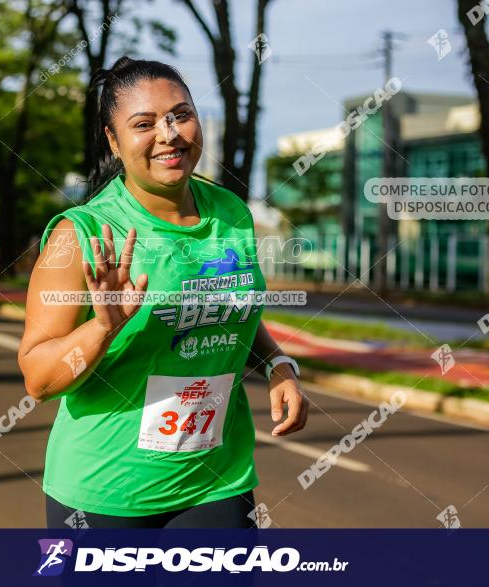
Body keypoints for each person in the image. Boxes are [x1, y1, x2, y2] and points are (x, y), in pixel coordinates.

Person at [19, 57, 308, 529]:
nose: (169, 134)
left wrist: (278, 366)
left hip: (217, 482)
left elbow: (229, 310)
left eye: (181, 114)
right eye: (144, 124)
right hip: (105, 493)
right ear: (114, 141)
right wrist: (102, 327)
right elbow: (38, 378)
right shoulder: (82, 233)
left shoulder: (232, 211)